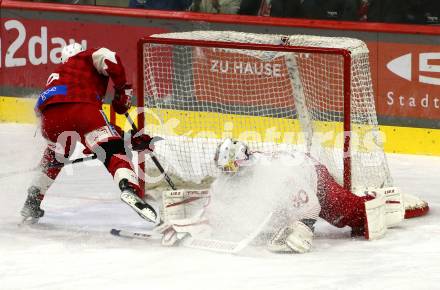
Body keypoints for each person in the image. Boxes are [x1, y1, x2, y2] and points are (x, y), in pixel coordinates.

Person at [155, 139, 405, 253]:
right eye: (225, 170)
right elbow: (215, 211)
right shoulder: (229, 178)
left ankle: (379, 202)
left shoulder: (277, 175)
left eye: (233, 169)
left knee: (347, 215)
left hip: (311, 174)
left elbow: (311, 206)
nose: (229, 175)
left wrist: (302, 227)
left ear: (245, 163)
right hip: (293, 181)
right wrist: (188, 226)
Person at [20, 43, 159, 225]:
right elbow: (111, 57)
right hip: (82, 109)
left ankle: (32, 200)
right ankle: (128, 186)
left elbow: (42, 112)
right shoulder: (87, 56)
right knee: (112, 148)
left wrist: (129, 137)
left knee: (55, 157)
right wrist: (121, 90)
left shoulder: (56, 76)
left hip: (50, 120)